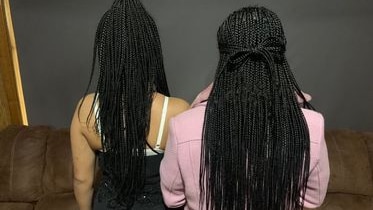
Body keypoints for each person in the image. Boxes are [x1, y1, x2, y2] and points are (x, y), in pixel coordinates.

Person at [160, 6, 329, 210]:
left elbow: (173, 199)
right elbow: (312, 199)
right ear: (279, 56)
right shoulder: (312, 126)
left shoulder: (183, 126)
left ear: (224, 57)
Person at [70, 0, 189, 209]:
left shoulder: (86, 109)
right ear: (151, 50)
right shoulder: (177, 111)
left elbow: (82, 180)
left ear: (106, 52)